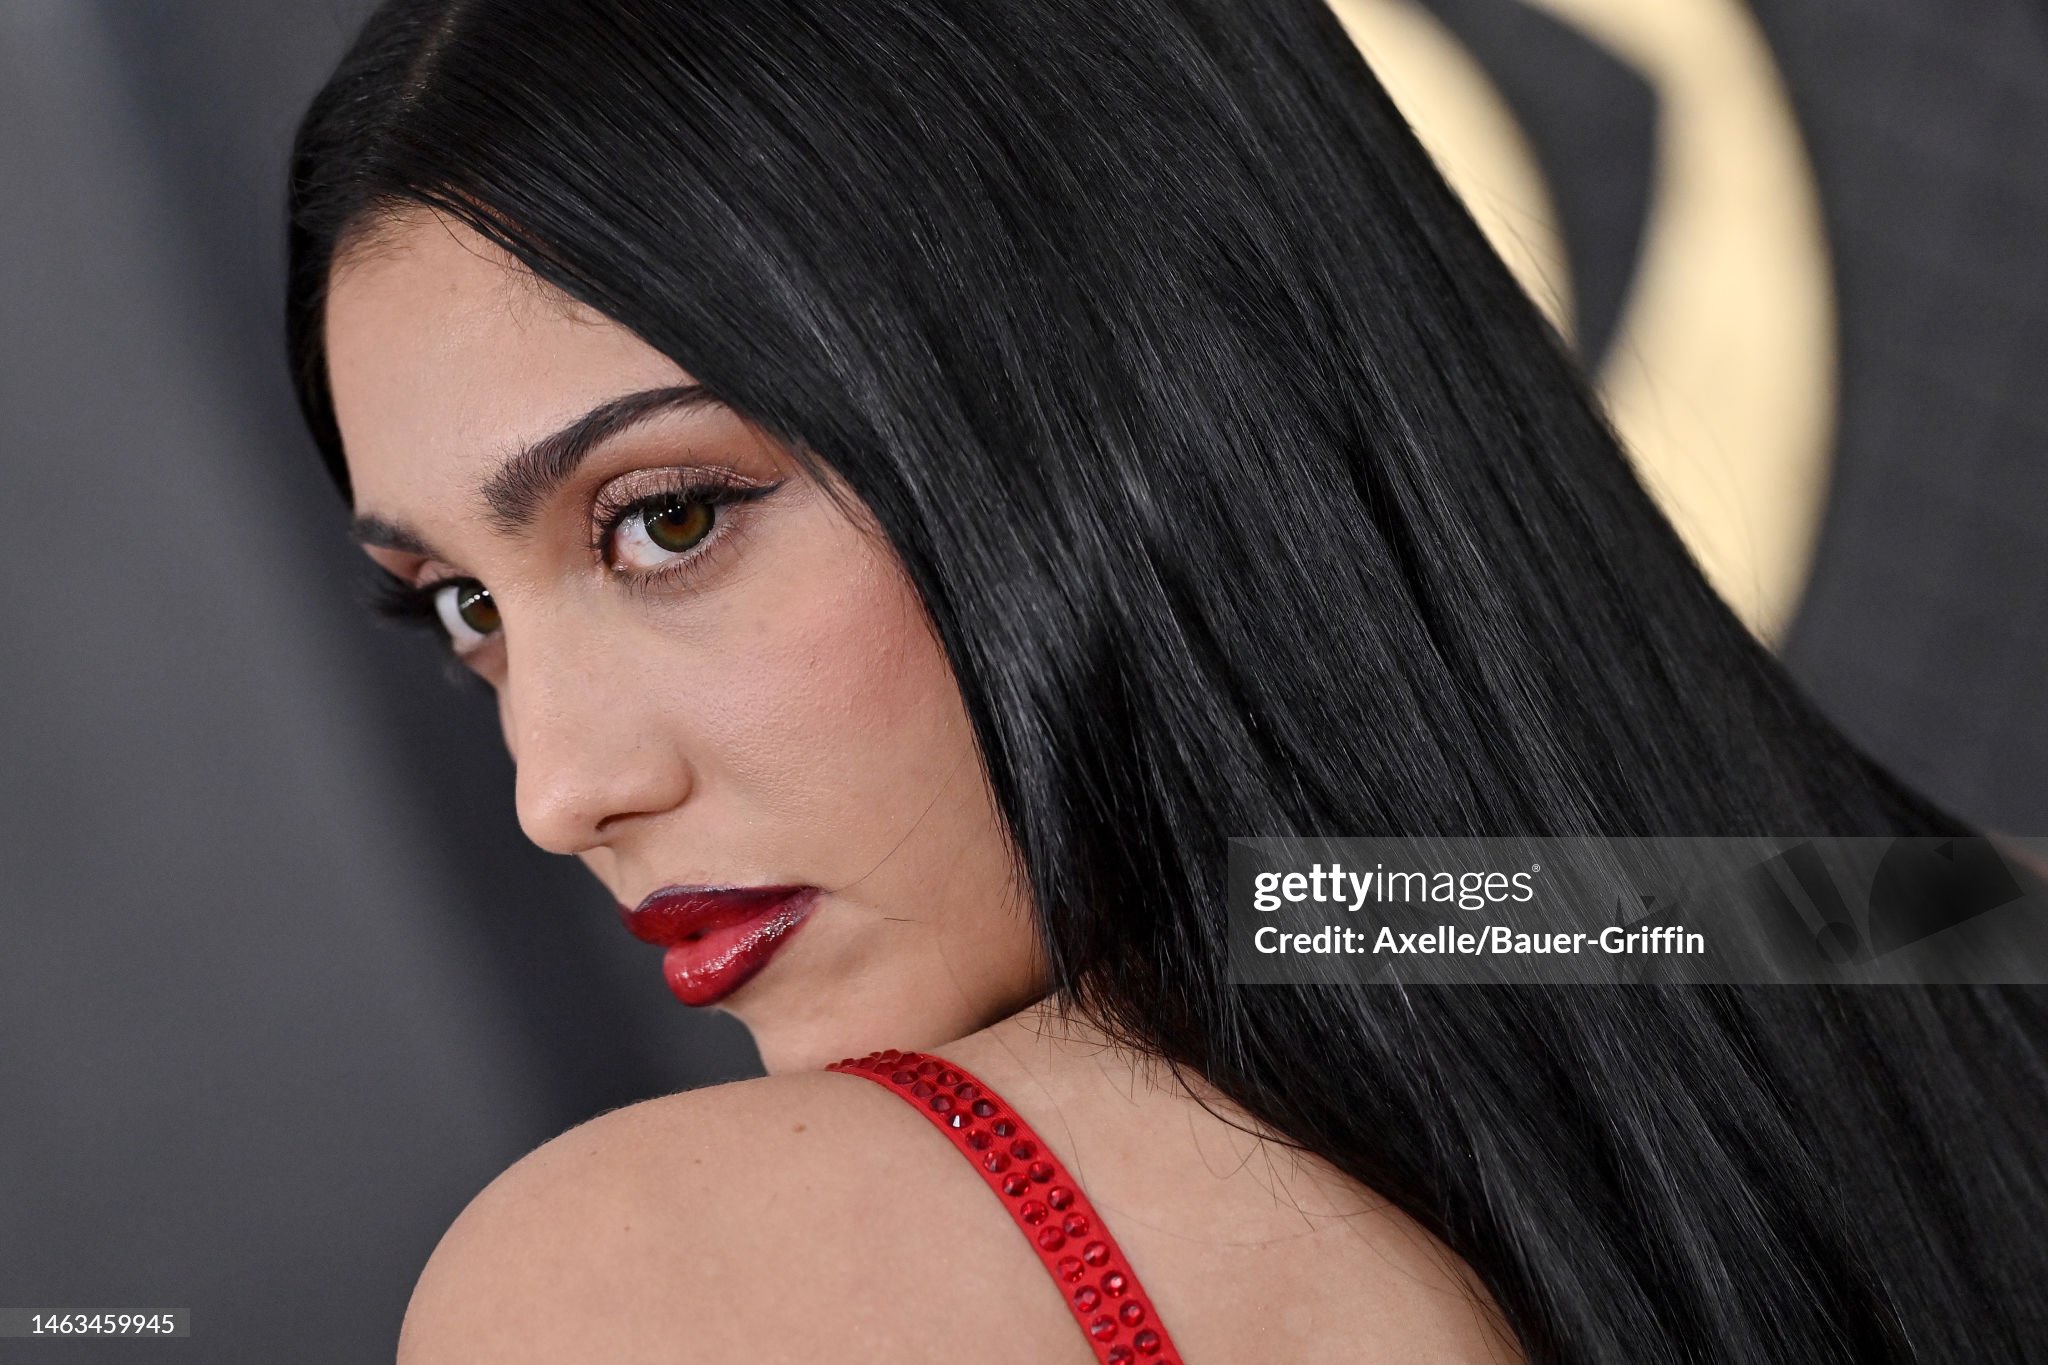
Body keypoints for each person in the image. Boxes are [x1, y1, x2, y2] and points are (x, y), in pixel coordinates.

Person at [284, 1, 2048, 1361]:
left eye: (666, 518)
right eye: (460, 610)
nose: (558, 785)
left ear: (1140, 406)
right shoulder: (1943, 935)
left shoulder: (666, 1288)